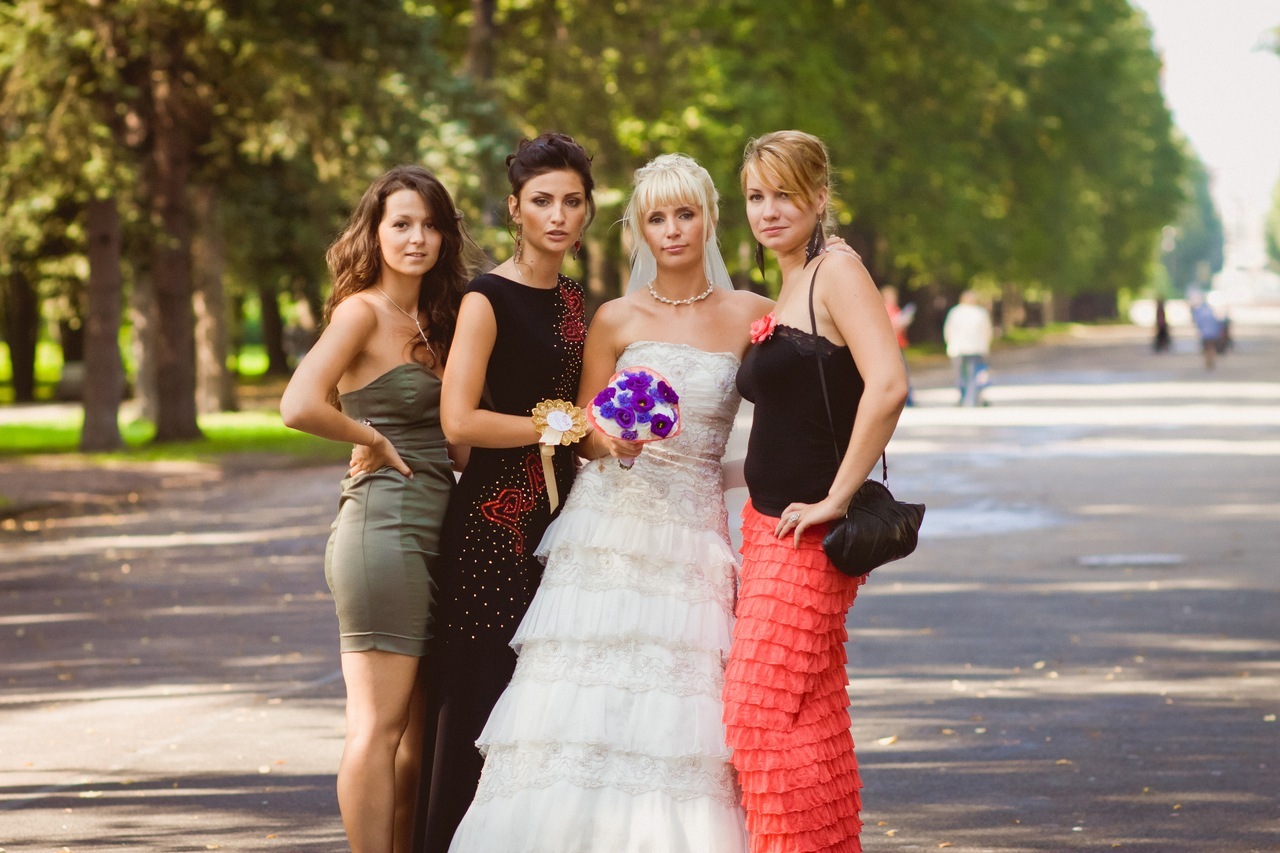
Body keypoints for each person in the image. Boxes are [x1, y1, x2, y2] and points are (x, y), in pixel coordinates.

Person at [446, 152, 771, 852]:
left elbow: (799, 415)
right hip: (607, 527)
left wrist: (743, 475)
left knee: (679, 708)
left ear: (710, 219)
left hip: (692, 534)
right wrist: (611, 442)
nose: (672, 230)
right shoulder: (614, 318)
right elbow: (585, 435)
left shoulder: (754, 314)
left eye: (685, 214)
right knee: (578, 701)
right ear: (638, 230)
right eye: (657, 218)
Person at [723, 130, 909, 853]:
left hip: (810, 536)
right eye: (755, 196)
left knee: (757, 717)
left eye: (784, 194)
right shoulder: (793, 277)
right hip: (766, 527)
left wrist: (836, 496)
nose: (768, 210)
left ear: (820, 196)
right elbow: (794, 414)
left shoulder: (837, 270)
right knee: (811, 715)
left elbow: (888, 384)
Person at [278, 165, 472, 853]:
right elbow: (297, 404)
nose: (417, 238)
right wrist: (370, 436)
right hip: (382, 532)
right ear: (377, 232)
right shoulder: (361, 311)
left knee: (418, 740)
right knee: (377, 730)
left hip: (437, 530)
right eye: (402, 224)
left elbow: (460, 438)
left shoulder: (440, 319)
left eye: (430, 225)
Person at [417, 131, 597, 851]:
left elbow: (588, 413)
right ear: (515, 208)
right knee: (481, 699)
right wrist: (557, 426)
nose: (559, 215)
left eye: (573, 202)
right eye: (542, 201)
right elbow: (458, 420)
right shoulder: (484, 298)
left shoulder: (577, 300)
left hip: (563, 520)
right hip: (492, 526)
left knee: (543, 706)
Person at [943, 290, 994, 406]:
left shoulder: (955, 312)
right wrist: (987, 345)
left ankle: (963, 397)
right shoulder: (980, 312)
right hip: (976, 348)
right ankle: (974, 398)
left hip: (958, 348)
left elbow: (948, 330)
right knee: (976, 374)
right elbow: (987, 331)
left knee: (960, 374)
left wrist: (949, 343)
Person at [881, 285, 916, 405]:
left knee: (903, 371)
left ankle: (908, 399)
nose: (894, 299)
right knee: (899, 372)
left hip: (900, 343)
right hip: (891, 345)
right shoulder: (885, 309)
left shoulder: (896, 309)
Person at [1189, 291, 1224, 369]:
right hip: (1213, 333)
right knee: (1212, 347)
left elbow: (1198, 322)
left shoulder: (1200, 312)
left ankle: (1208, 362)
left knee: (1206, 348)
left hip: (1205, 333)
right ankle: (1212, 361)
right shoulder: (1211, 311)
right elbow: (1217, 322)